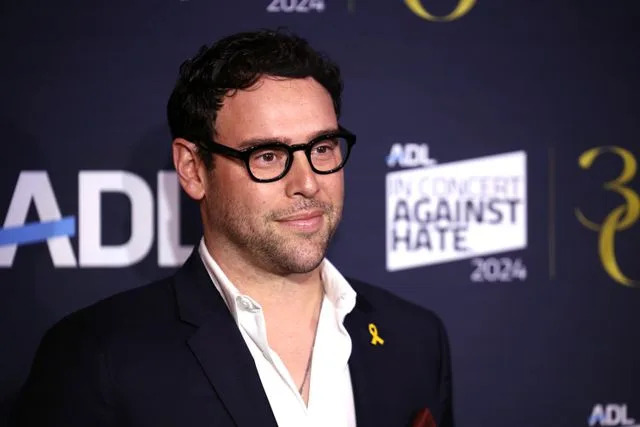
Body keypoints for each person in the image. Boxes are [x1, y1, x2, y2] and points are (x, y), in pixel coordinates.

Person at [12, 29, 454, 427]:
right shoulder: (98, 355)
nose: (307, 183)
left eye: (321, 147)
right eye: (268, 156)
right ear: (192, 169)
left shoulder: (415, 338)